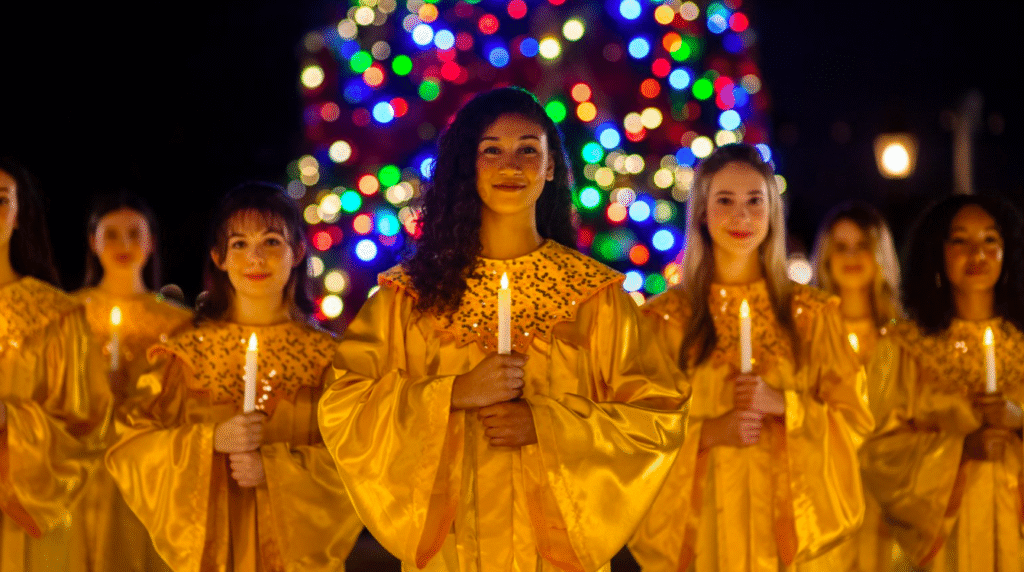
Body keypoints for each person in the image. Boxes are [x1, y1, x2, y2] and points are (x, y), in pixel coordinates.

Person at [318, 87, 687, 571]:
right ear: (466, 166)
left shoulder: (596, 298)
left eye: (528, 150)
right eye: (491, 150)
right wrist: (453, 393)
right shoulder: (408, 297)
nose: (510, 165)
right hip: (451, 552)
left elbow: (656, 417)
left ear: (551, 166)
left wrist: (548, 425)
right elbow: (344, 404)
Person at [629, 144, 873, 571]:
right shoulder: (663, 321)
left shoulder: (813, 318)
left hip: (784, 538)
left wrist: (784, 405)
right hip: (701, 535)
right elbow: (633, 432)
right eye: (725, 201)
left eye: (754, 202)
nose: (741, 217)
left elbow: (853, 421)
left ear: (772, 213)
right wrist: (706, 434)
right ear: (703, 212)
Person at [105, 183, 362, 571]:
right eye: (239, 244)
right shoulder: (183, 357)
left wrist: (278, 470)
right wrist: (209, 441)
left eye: (272, 241)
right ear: (219, 258)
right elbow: (129, 447)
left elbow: (361, 462)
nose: (255, 258)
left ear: (298, 253)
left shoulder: (332, 361)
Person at [861, 194, 1024, 571]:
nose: (977, 254)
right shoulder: (904, 348)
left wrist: (1019, 423)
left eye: (990, 240)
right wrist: (959, 450)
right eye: (960, 240)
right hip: (946, 547)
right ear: (938, 251)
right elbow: (877, 452)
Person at [69, 193, 191, 572]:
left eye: (134, 234)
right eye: (112, 234)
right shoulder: (69, 313)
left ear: (151, 242)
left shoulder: (178, 324)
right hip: (82, 467)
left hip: (149, 471)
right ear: (93, 242)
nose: (124, 245)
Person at [0, 157, 109, 572]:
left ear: (20, 213)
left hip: (28, 519)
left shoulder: (56, 316)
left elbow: (87, 425)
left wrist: (13, 422)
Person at [809, 201, 907, 571]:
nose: (851, 256)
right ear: (826, 257)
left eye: (862, 246)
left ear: (879, 253)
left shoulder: (902, 340)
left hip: (887, 500)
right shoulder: (810, 334)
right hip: (826, 496)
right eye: (841, 246)